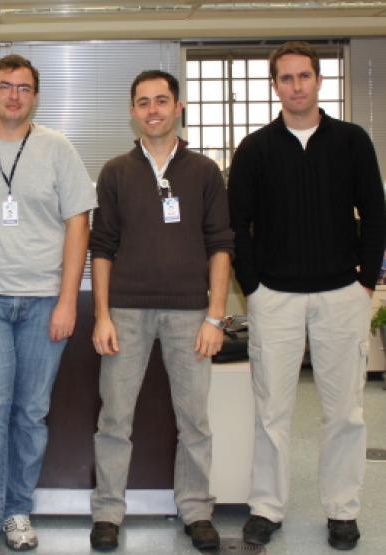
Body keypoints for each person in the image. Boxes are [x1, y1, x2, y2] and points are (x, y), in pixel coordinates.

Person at [228, 41, 385, 551]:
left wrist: (364, 281)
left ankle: (342, 510)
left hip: (343, 293)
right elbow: (237, 226)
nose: (296, 86)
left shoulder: (352, 141)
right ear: (275, 86)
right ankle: (267, 508)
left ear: (319, 81)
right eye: (286, 78)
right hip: (275, 297)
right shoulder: (254, 149)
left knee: (344, 411)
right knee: (272, 410)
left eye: (304, 76)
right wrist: (252, 286)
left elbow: (376, 212)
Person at [0, 54, 97, 555]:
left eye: (24, 88)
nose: (14, 95)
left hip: (44, 301)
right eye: (5, 86)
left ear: (35, 96)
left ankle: (16, 512)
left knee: (30, 414)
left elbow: (79, 223)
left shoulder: (57, 148)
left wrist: (68, 301)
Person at [87, 70, 234, 552]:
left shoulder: (205, 172)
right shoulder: (115, 172)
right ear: (132, 111)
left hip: (190, 315)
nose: (153, 109)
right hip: (125, 313)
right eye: (143, 102)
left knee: (194, 420)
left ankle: (196, 511)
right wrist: (102, 315)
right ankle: (107, 512)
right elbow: (102, 247)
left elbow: (220, 246)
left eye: (161, 101)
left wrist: (216, 317)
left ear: (178, 108)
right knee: (115, 419)